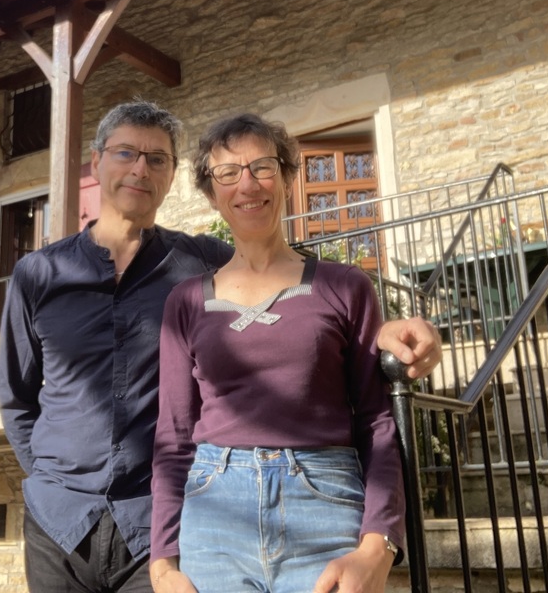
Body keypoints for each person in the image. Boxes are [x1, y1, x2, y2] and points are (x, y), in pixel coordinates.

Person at [0, 101, 439, 593]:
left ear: (172, 177)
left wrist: (383, 334)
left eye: (157, 158)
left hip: (152, 521)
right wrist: (53, 475)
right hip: (60, 521)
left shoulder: (198, 263)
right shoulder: (37, 275)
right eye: (126, 153)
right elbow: (16, 399)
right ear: (97, 161)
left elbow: (283, 282)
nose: (141, 169)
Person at [149, 113, 403, 593]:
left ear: (287, 177)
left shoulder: (346, 287)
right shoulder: (184, 302)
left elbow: (376, 419)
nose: (247, 184)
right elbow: (174, 436)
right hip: (213, 516)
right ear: (212, 193)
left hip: (325, 508)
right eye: (228, 173)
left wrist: (379, 544)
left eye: (262, 167)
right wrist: (162, 565)